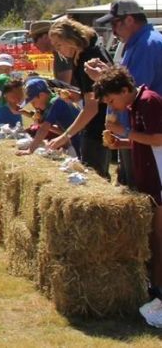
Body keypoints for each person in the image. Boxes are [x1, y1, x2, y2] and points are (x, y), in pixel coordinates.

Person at [92, 66, 162, 325]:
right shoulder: (135, 105)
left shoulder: (149, 101)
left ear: (124, 90)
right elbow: (143, 140)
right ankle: (153, 290)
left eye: (112, 101)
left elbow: (158, 138)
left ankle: (158, 293)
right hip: (149, 180)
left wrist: (126, 133)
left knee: (159, 241)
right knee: (153, 240)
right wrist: (121, 143)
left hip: (159, 180)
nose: (114, 107)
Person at [88, 0, 162, 187]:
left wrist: (102, 78)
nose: (113, 31)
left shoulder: (147, 45)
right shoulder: (139, 43)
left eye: (115, 24)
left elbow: (130, 91)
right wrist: (108, 72)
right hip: (137, 134)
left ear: (129, 20)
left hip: (145, 134)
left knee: (147, 193)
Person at [46, 18, 112, 179]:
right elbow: (94, 94)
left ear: (70, 39)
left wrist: (64, 136)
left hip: (97, 129)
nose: (57, 50)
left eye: (58, 45)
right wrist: (78, 95)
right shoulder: (90, 50)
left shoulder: (88, 59)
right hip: (102, 124)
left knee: (94, 177)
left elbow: (92, 107)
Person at [17, 78, 81, 156]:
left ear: (42, 95)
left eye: (33, 102)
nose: (33, 106)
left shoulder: (56, 102)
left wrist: (30, 150)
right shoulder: (52, 102)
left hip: (82, 141)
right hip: (77, 139)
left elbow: (44, 129)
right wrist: (42, 123)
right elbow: (64, 132)